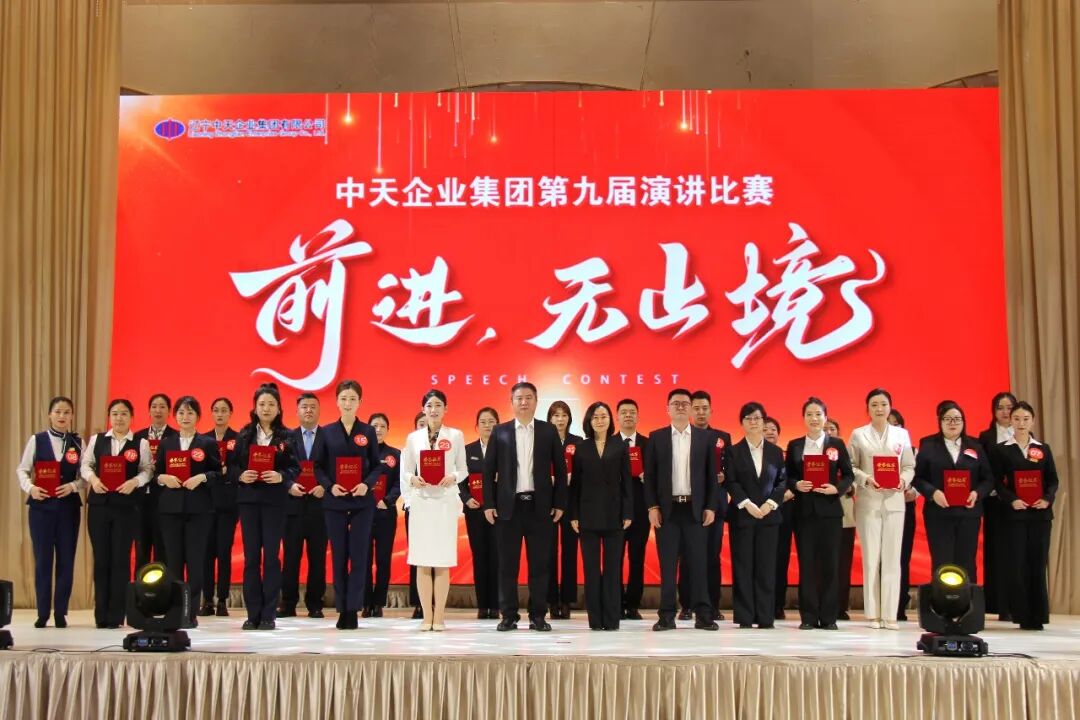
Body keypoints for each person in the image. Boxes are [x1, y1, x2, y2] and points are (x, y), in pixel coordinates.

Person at [482, 382, 568, 632]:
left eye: (529, 397)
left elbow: (560, 469)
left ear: (536, 401)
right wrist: (489, 504)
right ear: (512, 402)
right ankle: (508, 615)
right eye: (519, 398)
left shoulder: (548, 431)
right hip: (508, 509)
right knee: (507, 566)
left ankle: (538, 615)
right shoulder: (500, 431)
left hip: (540, 508)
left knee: (540, 565)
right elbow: (488, 471)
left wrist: (559, 503)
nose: (524, 402)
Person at [644, 388, 719, 631]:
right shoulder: (656, 437)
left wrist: (710, 506)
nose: (680, 407)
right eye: (675, 403)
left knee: (698, 564)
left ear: (690, 408)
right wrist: (652, 506)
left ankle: (704, 615)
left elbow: (711, 477)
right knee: (667, 566)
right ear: (667, 408)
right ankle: (666, 616)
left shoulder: (705, 438)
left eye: (684, 403)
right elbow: (650, 477)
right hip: (667, 511)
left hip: (695, 510)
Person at [228, 383, 300, 630]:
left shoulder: (287, 436)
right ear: (255, 407)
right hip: (249, 501)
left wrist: (281, 476)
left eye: (271, 404)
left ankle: (269, 614)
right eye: (262, 404)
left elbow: (296, 467)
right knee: (251, 559)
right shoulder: (244, 434)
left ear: (279, 408)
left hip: (274, 502)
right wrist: (241, 475)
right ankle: (252, 614)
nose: (266, 408)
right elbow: (232, 467)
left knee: (271, 557)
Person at [315, 379, 382, 630]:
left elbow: (377, 466)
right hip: (335, 502)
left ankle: (353, 608)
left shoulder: (368, 431)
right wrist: (330, 485)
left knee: (359, 555)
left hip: (362, 502)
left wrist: (367, 484)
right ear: (336, 401)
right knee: (339, 556)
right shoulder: (326, 432)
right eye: (343, 399)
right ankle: (341, 608)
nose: (347, 403)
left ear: (360, 402)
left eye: (352, 399)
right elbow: (318, 466)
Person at [81, 398, 153, 628]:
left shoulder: (140, 443)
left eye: (123, 413)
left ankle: (115, 616)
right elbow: (85, 465)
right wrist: (93, 480)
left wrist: (135, 482)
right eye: (115, 413)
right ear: (109, 417)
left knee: (121, 560)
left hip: (126, 508)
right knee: (101, 559)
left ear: (131, 417)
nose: (119, 418)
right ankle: (101, 615)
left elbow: (148, 470)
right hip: (99, 507)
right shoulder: (97, 440)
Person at [847, 388, 915, 630]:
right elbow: (851, 466)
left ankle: (890, 614)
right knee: (871, 558)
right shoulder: (858, 434)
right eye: (874, 404)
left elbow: (909, 466)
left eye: (883, 404)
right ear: (867, 408)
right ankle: (873, 614)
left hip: (895, 501)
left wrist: (903, 481)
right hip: (869, 501)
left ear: (890, 407)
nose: (879, 408)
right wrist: (866, 479)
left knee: (893, 558)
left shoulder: (901, 434)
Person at [400, 390, 467, 631]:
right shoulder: (413, 438)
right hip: (422, 503)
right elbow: (406, 470)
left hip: (444, 503)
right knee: (422, 561)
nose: (434, 409)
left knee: (441, 561)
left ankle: (439, 617)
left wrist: (453, 477)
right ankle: (426, 616)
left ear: (445, 409)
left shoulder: (455, 435)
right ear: (423, 409)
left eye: (438, 405)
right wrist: (412, 479)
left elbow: (463, 469)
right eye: (429, 405)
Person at [786, 398, 854, 630]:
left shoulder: (837, 444)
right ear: (803, 418)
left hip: (830, 512)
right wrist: (796, 484)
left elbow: (848, 474)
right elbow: (788, 475)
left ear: (825, 417)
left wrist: (838, 489)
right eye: (809, 414)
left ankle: (828, 617)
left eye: (818, 414)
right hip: (804, 512)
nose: (814, 419)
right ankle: (808, 616)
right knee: (807, 564)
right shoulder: (795, 445)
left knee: (830, 565)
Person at [16, 396, 83, 628]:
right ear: (50, 415)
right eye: (58, 412)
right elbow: (22, 470)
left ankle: (60, 612)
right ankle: (43, 612)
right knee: (43, 560)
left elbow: (86, 474)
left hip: (68, 508)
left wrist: (73, 486)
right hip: (41, 509)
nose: (62, 416)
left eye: (66, 412)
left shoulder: (78, 443)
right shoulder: (37, 440)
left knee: (66, 559)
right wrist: (31, 488)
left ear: (72, 416)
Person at [154, 396, 221, 627]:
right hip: (170, 510)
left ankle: (190, 613)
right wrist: (163, 478)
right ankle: (175, 612)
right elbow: (155, 474)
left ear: (198, 417)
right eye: (181, 412)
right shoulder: (167, 443)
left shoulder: (207, 443)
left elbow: (218, 473)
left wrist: (202, 477)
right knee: (173, 562)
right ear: (175, 416)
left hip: (198, 510)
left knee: (195, 562)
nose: (185, 417)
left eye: (190, 412)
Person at [993, 401, 1058, 630]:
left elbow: (1053, 480)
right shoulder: (1002, 449)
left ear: (1033, 421)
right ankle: (1021, 614)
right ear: (1010, 421)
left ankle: (1038, 615)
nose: (1021, 423)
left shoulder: (1042, 448)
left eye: (1025, 419)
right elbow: (997, 483)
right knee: (1018, 564)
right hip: (1015, 515)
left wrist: (1047, 499)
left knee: (1037, 564)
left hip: (1040, 515)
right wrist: (1012, 499)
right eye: (1017, 419)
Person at [913, 401, 994, 581]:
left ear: (963, 422)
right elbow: (917, 477)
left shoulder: (975, 445)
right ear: (940, 422)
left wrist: (977, 493)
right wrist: (933, 493)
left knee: (967, 562)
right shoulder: (928, 444)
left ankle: (967, 598)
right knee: (942, 563)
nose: (952, 423)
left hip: (968, 514)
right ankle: (943, 599)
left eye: (957, 419)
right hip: (938, 514)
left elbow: (988, 479)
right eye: (947, 419)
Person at [570, 401, 633, 631]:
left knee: (612, 569)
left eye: (603, 416)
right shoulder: (581, 447)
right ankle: (595, 620)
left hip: (614, 515)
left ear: (610, 419)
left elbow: (627, 482)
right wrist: (574, 514)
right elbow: (575, 485)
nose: (599, 420)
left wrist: (627, 511)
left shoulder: (620, 446)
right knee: (591, 570)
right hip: (587, 516)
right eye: (595, 417)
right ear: (589, 421)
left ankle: (612, 619)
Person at [727, 402, 788, 629]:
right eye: (749, 418)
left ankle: (764, 617)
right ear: (742, 423)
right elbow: (731, 481)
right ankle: (745, 616)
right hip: (743, 517)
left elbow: (782, 481)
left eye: (757, 418)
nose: (753, 422)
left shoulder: (775, 452)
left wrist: (770, 504)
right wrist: (746, 504)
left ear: (764, 422)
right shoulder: (733, 451)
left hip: (769, 517)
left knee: (766, 567)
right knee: (743, 566)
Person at [677, 390, 731, 622]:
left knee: (712, 556)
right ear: (690, 410)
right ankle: (687, 605)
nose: (700, 412)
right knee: (687, 556)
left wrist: (724, 476)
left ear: (711, 410)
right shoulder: (682, 436)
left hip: (715, 505)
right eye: (696, 408)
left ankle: (712, 605)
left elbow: (732, 469)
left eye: (704, 408)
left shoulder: (723, 437)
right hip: (689, 506)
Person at [282, 393, 328, 618]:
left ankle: (315, 603)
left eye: (312, 407)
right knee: (290, 557)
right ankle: (288, 603)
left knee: (318, 558)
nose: (308, 410)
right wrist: (289, 485)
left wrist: (325, 486)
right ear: (297, 411)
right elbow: (279, 467)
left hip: (320, 507)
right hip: (293, 505)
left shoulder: (329, 437)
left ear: (319, 410)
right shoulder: (286, 438)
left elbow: (334, 468)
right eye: (304, 407)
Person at [977, 391, 1017, 620]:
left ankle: (1016, 602)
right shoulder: (985, 437)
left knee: (1015, 551)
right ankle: (998, 604)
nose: (1005, 412)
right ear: (993, 411)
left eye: (1009, 407)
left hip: (1018, 502)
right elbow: (982, 468)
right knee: (996, 551)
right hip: (993, 501)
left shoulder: (1025, 435)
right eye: (1000, 407)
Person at [199, 397, 238, 617]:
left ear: (230, 413)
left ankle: (222, 599)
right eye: (216, 410)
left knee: (224, 552)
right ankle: (207, 600)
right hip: (206, 502)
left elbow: (242, 466)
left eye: (224, 410)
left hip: (229, 503)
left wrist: (228, 471)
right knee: (206, 552)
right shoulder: (203, 440)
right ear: (211, 413)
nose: (220, 414)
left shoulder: (238, 439)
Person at [461, 407, 500, 619]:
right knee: (480, 556)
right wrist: (467, 498)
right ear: (476, 426)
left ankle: (496, 605)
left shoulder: (505, 450)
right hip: (475, 511)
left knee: (497, 557)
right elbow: (460, 481)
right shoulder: (467, 450)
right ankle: (482, 605)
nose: (487, 425)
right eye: (483, 422)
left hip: (498, 513)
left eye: (491, 421)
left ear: (498, 425)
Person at [547, 400, 583, 620]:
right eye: (556, 415)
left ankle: (567, 600)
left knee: (570, 552)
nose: (560, 419)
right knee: (549, 552)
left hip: (571, 504)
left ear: (569, 418)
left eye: (564, 415)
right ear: (550, 418)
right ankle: (551, 600)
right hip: (549, 503)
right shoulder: (543, 440)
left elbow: (584, 474)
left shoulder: (578, 442)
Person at [363, 412, 401, 618]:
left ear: (388, 430)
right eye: (374, 426)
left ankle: (378, 603)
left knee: (383, 559)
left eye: (382, 426)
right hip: (363, 512)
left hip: (386, 513)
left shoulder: (395, 454)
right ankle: (365, 602)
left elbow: (399, 483)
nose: (378, 430)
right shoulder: (360, 453)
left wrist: (387, 500)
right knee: (364, 559)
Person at [615, 398, 650, 620]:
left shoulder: (648, 444)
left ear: (638, 416)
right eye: (624, 412)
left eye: (632, 412)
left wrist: (649, 477)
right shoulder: (609, 443)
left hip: (641, 510)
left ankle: (633, 604)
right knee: (615, 559)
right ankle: (616, 602)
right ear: (617, 417)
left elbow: (659, 475)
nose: (628, 415)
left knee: (637, 558)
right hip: (615, 511)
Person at [134, 393, 177, 568]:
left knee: (163, 549)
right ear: (149, 411)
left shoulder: (175, 437)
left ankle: (163, 585)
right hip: (141, 500)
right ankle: (139, 585)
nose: (158, 410)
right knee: (141, 549)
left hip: (164, 500)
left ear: (169, 411)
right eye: (154, 407)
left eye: (162, 407)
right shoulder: (137, 437)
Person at [888, 408, 918, 621]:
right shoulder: (873, 450)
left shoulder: (912, 451)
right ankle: (883, 603)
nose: (892, 427)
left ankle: (899, 604)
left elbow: (921, 478)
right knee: (884, 557)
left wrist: (913, 491)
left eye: (896, 423)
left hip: (906, 507)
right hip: (881, 507)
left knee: (902, 557)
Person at [765, 415, 795, 621]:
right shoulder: (753, 456)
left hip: (783, 511)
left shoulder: (786, 457)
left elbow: (793, 481)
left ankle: (777, 604)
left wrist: (783, 496)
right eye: (765, 429)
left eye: (773, 429)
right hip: (759, 511)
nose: (769, 432)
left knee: (780, 559)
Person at [826, 418, 856, 621]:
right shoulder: (814, 453)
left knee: (843, 563)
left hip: (845, 513)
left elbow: (854, 477)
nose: (829, 431)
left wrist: (846, 486)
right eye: (826, 429)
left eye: (832, 429)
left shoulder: (846, 453)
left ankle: (841, 606)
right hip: (821, 513)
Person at [407, 411, 427, 619]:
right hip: (414, 508)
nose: (425, 427)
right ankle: (418, 603)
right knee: (417, 556)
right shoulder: (409, 448)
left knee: (436, 556)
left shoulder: (444, 447)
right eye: (421, 424)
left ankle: (434, 601)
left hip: (437, 508)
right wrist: (410, 503)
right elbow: (404, 479)